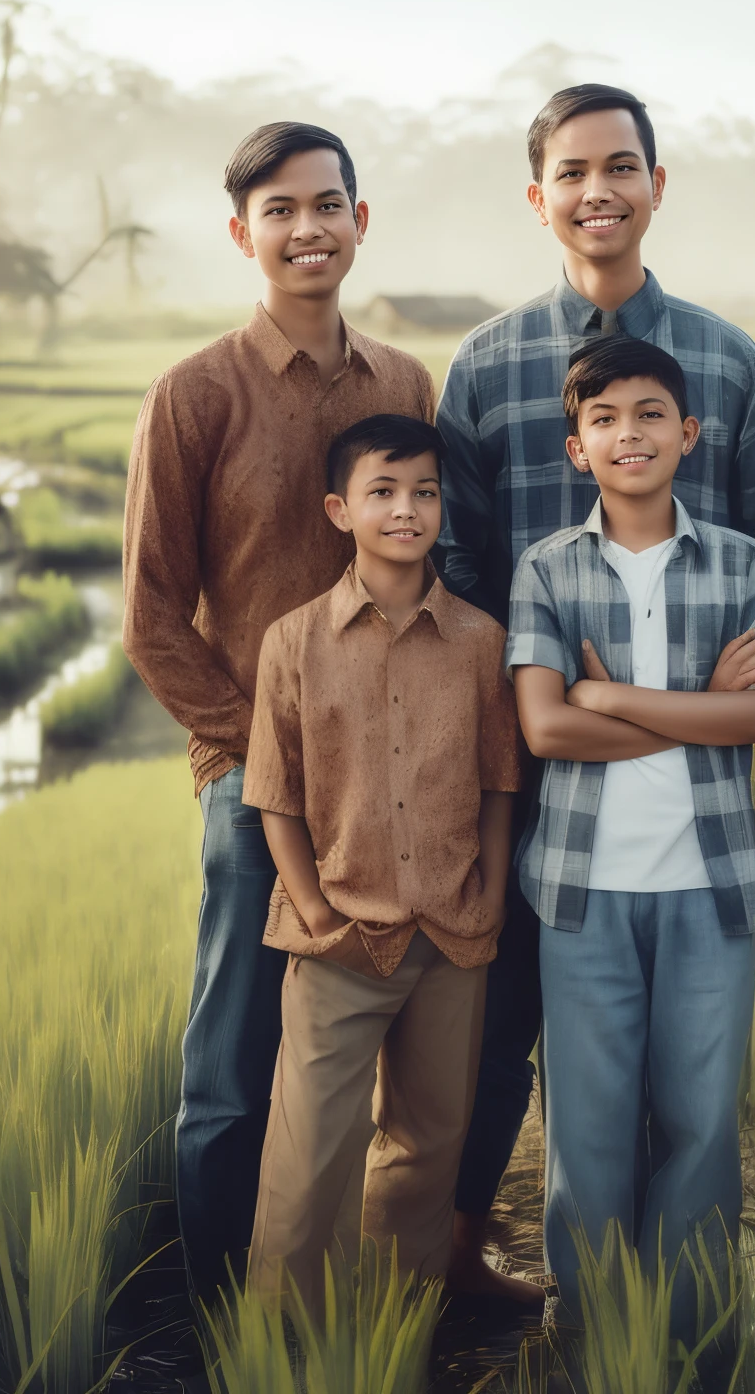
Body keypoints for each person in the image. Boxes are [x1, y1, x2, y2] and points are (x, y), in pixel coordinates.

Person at [436, 83, 755, 1304]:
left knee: (688, 1074)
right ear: (539, 197)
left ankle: (676, 1309)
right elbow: (463, 566)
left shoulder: (729, 364)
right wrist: (535, 717)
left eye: (621, 166)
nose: (599, 191)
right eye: (572, 172)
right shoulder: (483, 367)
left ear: (656, 184)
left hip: (697, 791)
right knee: (518, 1038)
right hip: (535, 762)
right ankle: (461, 1267)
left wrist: (640, 702)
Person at [122, 123, 434, 1311]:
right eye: (281, 208)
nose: (308, 227)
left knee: (363, 1044)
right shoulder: (194, 394)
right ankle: (214, 1312)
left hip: (394, 778)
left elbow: (423, 565)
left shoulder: (405, 385)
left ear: (362, 221)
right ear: (242, 231)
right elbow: (153, 616)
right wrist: (260, 751)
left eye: (328, 204)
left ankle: (330, 1282)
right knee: (237, 1055)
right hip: (252, 785)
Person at [508, 335, 755, 1328]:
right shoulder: (546, 570)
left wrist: (609, 694)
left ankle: (689, 1325)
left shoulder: (742, 565)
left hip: (711, 886)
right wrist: (690, 708)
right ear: (576, 449)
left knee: (700, 1122)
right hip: (580, 889)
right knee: (586, 1127)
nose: (627, 435)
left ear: (689, 433)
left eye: (646, 416)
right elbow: (545, 727)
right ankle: (591, 1327)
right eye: (602, 420)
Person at [243, 415, 519, 1311]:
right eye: (384, 492)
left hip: (450, 936)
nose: (408, 509)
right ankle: (287, 1345)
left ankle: (399, 1331)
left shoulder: (480, 641)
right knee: (308, 1153)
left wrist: (487, 897)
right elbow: (275, 796)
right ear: (340, 509)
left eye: (425, 492)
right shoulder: (293, 641)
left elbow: (498, 785)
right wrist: (318, 915)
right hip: (339, 942)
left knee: (428, 1144)